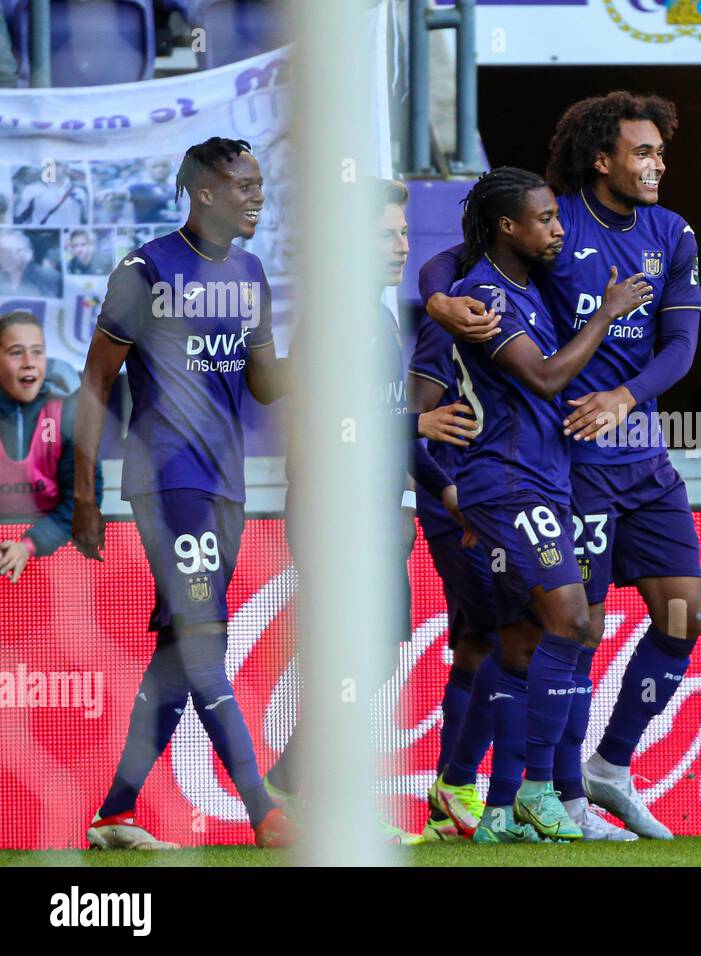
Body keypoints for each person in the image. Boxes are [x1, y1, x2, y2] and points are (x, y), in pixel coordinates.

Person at [423, 91, 701, 841]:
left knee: (685, 614)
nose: (657, 164)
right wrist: (438, 301)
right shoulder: (554, 224)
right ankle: (561, 793)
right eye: (642, 152)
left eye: (659, 151)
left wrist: (625, 393)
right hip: (568, 464)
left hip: (642, 455)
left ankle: (611, 766)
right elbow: (457, 258)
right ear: (603, 158)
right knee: (576, 628)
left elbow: (680, 349)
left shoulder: (671, 233)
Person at [73, 137, 293, 850]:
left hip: (225, 481)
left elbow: (263, 384)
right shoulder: (145, 269)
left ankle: (115, 813)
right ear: (204, 193)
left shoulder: (252, 272)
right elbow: (95, 383)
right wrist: (85, 495)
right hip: (169, 480)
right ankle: (266, 810)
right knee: (203, 644)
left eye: (260, 184)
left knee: (180, 650)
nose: (258, 195)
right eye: (244, 185)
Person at [439, 166, 650, 843]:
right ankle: (537, 788)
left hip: (540, 481)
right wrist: (608, 313)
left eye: (560, 218)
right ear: (508, 227)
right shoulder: (483, 294)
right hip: (507, 483)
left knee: (523, 641)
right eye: (545, 220)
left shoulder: (528, 287)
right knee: (571, 620)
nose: (558, 230)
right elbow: (547, 375)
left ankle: (500, 810)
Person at [263, 177, 463, 844]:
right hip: (337, 510)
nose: (401, 245)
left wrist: (419, 479)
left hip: (370, 512)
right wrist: (416, 429)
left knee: (366, 659)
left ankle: (301, 782)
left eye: (404, 232)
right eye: (385, 234)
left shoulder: (371, 314)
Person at [407, 261, 503, 842]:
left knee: (477, 645)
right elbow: (413, 421)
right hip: (462, 506)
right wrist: (450, 491)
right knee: (507, 637)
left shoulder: (527, 303)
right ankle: (461, 784)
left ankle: (451, 806)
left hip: (501, 498)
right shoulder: (454, 315)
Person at [0, 311, 102, 582]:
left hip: (56, 560)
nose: (29, 363)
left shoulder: (69, 413)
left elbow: (83, 500)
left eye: (37, 352)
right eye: (15, 352)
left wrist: (27, 545)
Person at [14, 164, 89, 227]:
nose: (53, 167)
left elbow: (86, 219)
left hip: (71, 238)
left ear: (66, 167)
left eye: (57, 164)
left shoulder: (78, 192)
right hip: (43, 238)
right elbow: (19, 217)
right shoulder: (32, 189)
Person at [0, 229, 61, 298]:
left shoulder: (47, 277)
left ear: (28, 254)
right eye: (2, 251)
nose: (6, 256)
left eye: (12, 251)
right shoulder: (3, 276)